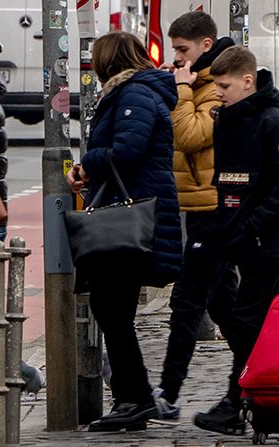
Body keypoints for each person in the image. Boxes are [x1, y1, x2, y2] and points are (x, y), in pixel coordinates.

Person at [181, 46, 279, 436]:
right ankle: (278, 400)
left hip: (266, 242)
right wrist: (226, 228)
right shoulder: (228, 120)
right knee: (270, 323)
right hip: (239, 237)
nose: (218, 92)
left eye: (224, 85)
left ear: (248, 81)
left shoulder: (274, 123)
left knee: (247, 319)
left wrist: (253, 225)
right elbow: (229, 181)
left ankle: (239, 402)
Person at [67, 31, 182, 432]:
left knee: (112, 310)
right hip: (133, 209)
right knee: (112, 310)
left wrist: (88, 162)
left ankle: (135, 399)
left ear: (108, 62)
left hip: (132, 214)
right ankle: (135, 398)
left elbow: (128, 151)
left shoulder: (134, 94)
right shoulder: (134, 92)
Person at [155, 11, 236, 421]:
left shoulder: (211, 89)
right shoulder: (200, 81)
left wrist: (183, 91)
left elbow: (188, 136)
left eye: (182, 49)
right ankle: (250, 379)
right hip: (200, 204)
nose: (176, 58)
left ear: (206, 45)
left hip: (214, 208)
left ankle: (167, 393)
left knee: (187, 302)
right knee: (225, 306)